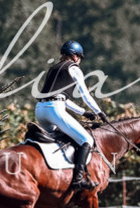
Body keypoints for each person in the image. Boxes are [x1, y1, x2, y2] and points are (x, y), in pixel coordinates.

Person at [35, 40, 108, 191]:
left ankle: (55, 176)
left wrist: (83, 113)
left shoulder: (53, 69)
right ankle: (78, 180)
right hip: (54, 110)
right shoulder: (73, 68)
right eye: (79, 58)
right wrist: (98, 112)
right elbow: (85, 95)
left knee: (58, 141)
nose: (79, 61)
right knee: (86, 140)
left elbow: (61, 97)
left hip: (40, 109)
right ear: (75, 56)